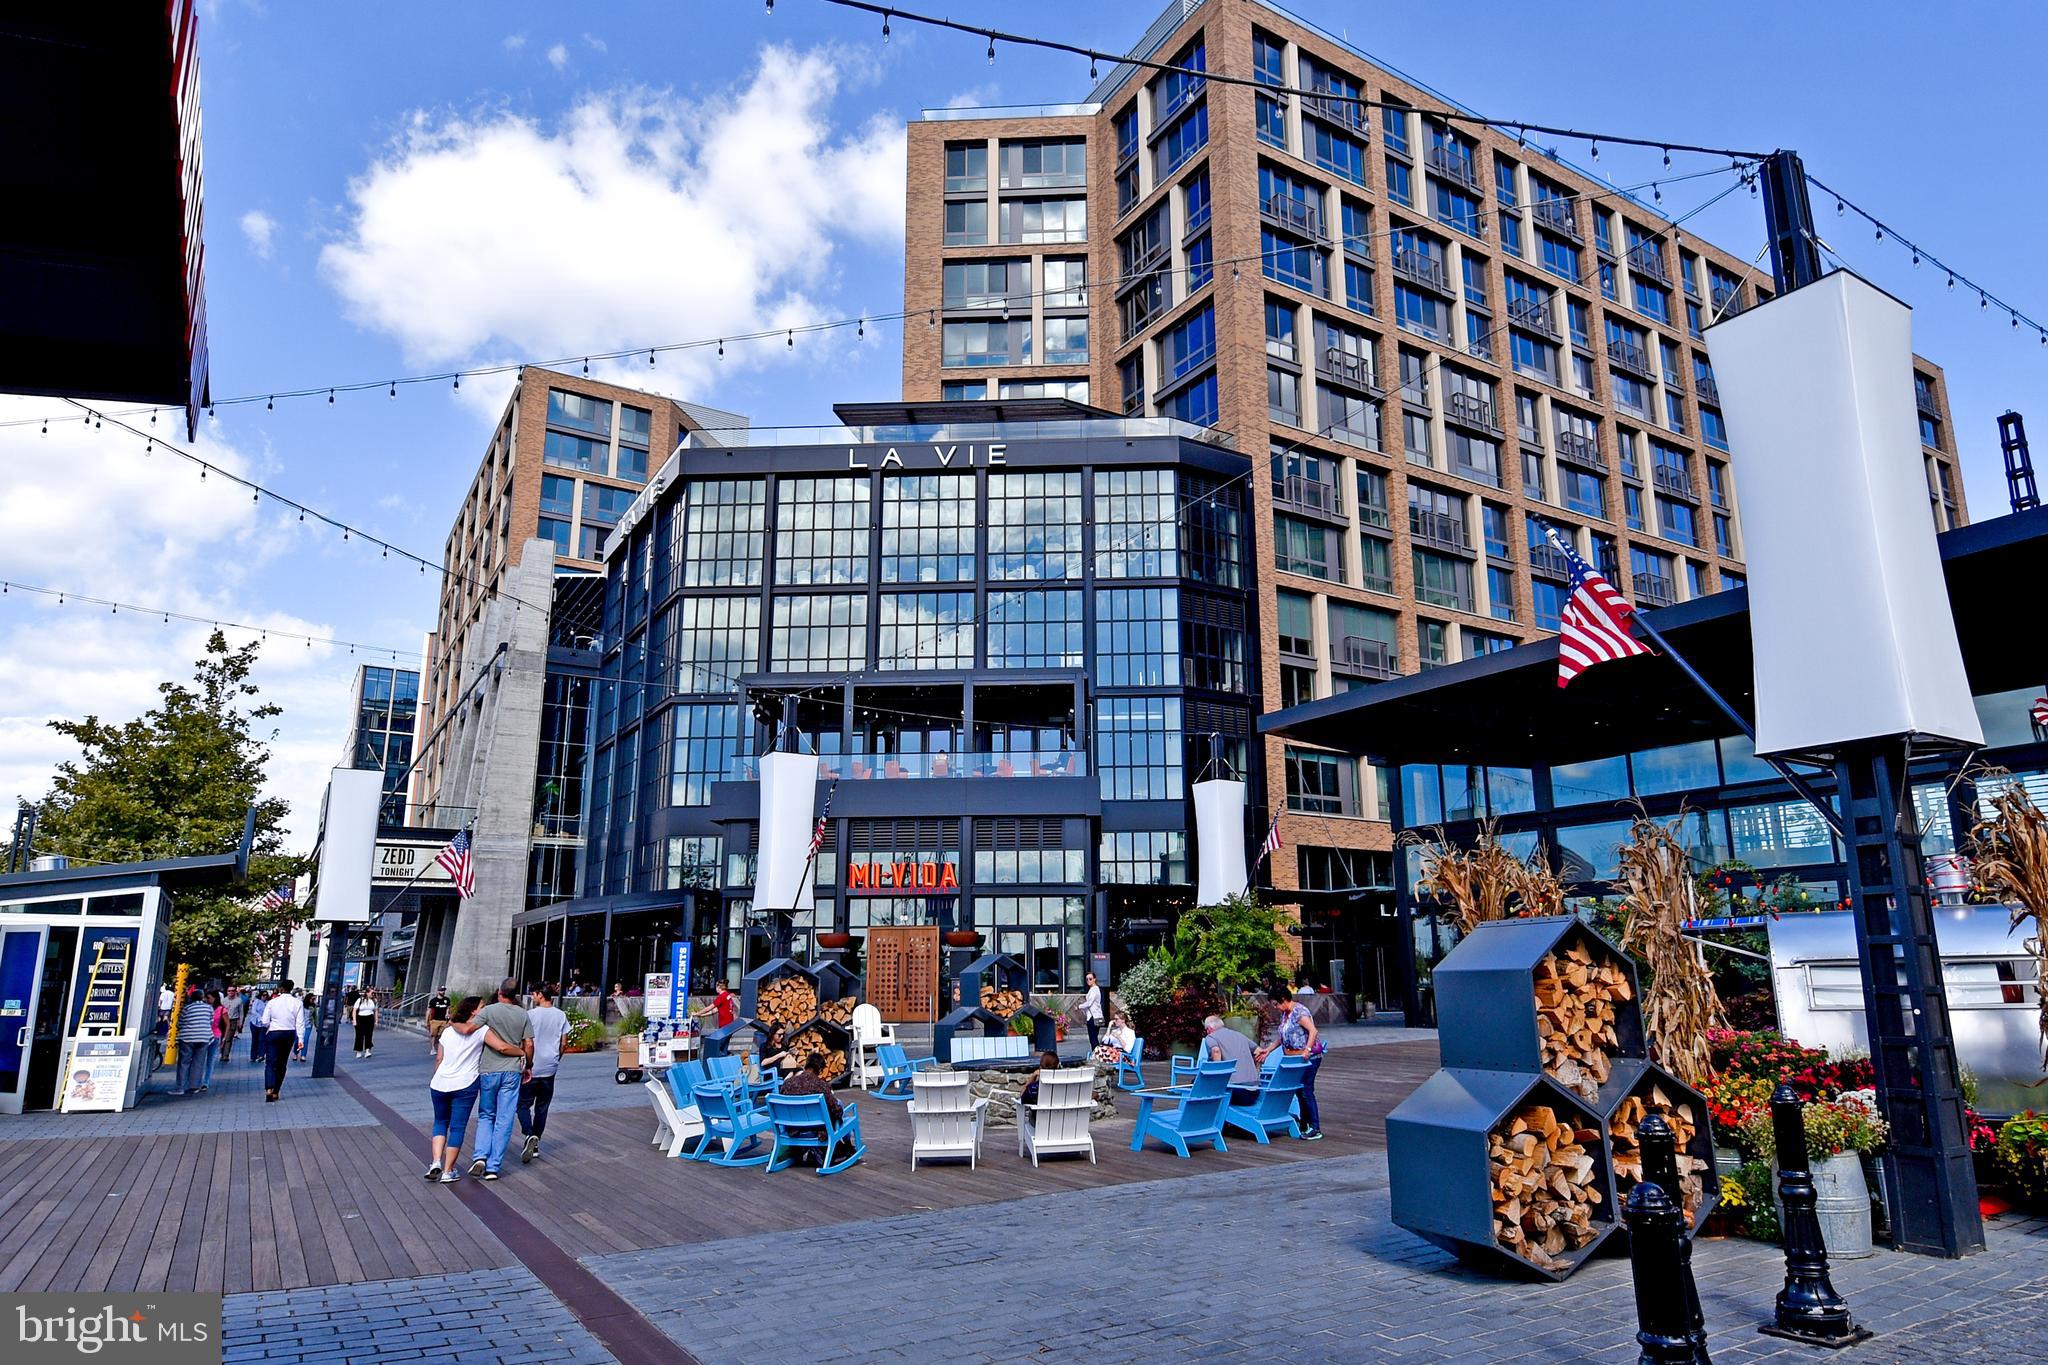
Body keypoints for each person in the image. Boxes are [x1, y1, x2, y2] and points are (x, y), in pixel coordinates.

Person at [425, 996, 496, 1183]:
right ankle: (448, 1171)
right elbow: (500, 1047)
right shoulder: (482, 1030)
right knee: (457, 1127)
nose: (485, 1009)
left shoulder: (448, 1031)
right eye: (482, 1006)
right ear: (473, 1011)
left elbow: (439, 1059)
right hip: (465, 1083)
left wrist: (437, 1077)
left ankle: (435, 1162)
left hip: (440, 1082)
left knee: (440, 1122)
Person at [468, 979, 532, 1181]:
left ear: (499, 992)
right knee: (504, 1118)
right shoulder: (523, 1014)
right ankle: (494, 1166)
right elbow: (528, 1043)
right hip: (512, 1071)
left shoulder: (488, 1011)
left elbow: (470, 1029)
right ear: (515, 995)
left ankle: (480, 1156)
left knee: (487, 1114)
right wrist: (528, 1065)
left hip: (489, 1069)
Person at [1255, 992, 1324, 1140]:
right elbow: (1283, 1037)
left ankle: (1315, 1127)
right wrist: (1268, 1050)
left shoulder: (1299, 1012)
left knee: (1306, 1090)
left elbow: (1313, 1031)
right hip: (1293, 1059)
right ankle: (1304, 1123)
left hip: (1306, 1058)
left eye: (1276, 1004)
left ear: (1284, 999)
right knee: (1299, 1090)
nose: (1276, 1008)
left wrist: (1308, 1049)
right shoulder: (1286, 1014)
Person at [518, 984, 570, 1164]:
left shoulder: (530, 1015)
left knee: (523, 1104)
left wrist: (525, 1061)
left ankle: (528, 1133)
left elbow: (525, 1042)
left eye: (533, 994)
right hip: (550, 1066)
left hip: (532, 1066)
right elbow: (564, 1042)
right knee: (542, 1106)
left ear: (540, 995)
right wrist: (557, 1058)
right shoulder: (560, 1015)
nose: (532, 997)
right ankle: (536, 1140)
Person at [777, 1053, 853, 1166]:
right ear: (820, 1070)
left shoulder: (788, 1084)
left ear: (806, 1065)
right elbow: (836, 1111)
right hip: (816, 1130)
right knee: (839, 1105)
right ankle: (848, 1146)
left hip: (794, 1128)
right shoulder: (821, 1085)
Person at [1199, 1014, 1262, 1105]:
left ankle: (1203, 1116)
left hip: (1236, 1092)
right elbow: (1259, 1052)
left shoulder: (1211, 1037)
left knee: (1198, 1084)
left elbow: (1216, 1051)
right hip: (1254, 1092)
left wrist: (1217, 1077)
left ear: (1209, 1029)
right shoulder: (1240, 1035)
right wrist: (1256, 1071)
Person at [261, 980, 304, 1102]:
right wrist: (300, 1038)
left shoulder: (272, 1002)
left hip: (274, 1032)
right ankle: (276, 1091)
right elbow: (300, 1023)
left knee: (270, 1062)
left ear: (280, 988)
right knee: (282, 1063)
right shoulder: (297, 1003)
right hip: (289, 1033)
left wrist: (270, 1026)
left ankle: (269, 1088)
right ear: (291, 989)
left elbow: (264, 1021)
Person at [173, 985, 214, 1095]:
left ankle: (180, 1087)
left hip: (187, 1037)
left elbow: (180, 1023)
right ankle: (194, 1086)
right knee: (198, 1062)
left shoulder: (187, 1008)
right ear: (202, 997)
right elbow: (211, 1021)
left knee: (184, 1062)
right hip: (204, 1037)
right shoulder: (209, 1008)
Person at [200, 990, 226, 1091]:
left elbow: (226, 1023)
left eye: (209, 998)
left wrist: (224, 1038)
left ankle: (206, 1082)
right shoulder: (204, 1008)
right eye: (206, 998)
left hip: (215, 1035)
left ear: (215, 998)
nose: (207, 1000)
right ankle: (197, 1080)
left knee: (210, 1060)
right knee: (200, 1059)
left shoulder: (221, 1009)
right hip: (203, 1036)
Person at [1080, 972, 1105, 1052]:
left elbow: (1089, 1003)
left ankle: (1096, 1055)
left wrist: (1079, 1006)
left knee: (1093, 1038)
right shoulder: (1093, 989)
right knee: (1093, 1037)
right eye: (1087, 979)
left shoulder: (1094, 989)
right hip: (1094, 1016)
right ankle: (1097, 1054)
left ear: (1094, 979)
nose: (1088, 981)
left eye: (1090, 979)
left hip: (1093, 1017)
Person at [352, 990, 379, 1058]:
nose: (373, 994)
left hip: (370, 1018)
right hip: (360, 1018)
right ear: (367, 993)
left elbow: (375, 1011)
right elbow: (354, 1010)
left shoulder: (374, 1001)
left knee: (369, 1035)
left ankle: (367, 1050)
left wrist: (376, 1021)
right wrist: (354, 1020)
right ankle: (359, 1051)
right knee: (359, 1035)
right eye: (371, 993)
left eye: (374, 993)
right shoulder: (360, 1000)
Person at [247, 990, 268, 1064]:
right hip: (255, 1023)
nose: (265, 997)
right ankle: (253, 1056)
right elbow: (254, 1011)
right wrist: (260, 1017)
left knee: (262, 1039)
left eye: (266, 995)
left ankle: (261, 1055)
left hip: (263, 1024)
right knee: (255, 1040)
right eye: (263, 995)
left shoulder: (267, 1003)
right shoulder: (257, 1001)